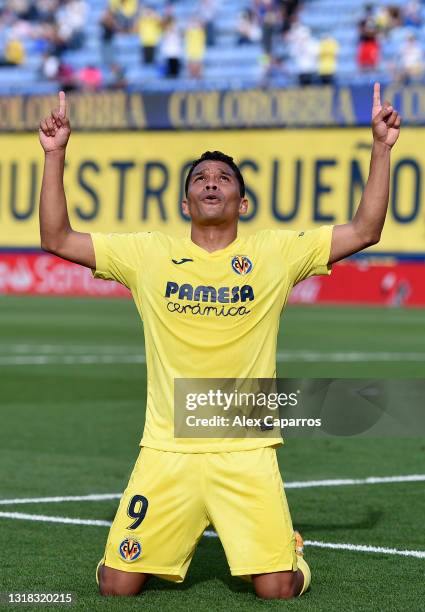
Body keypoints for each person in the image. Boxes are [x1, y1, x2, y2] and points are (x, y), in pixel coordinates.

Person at [38, 84, 401, 599]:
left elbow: (366, 229)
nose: (212, 184)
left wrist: (381, 148)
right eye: (201, 179)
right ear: (185, 200)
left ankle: (287, 547)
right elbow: (56, 238)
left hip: (245, 447)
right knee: (117, 586)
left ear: (243, 200)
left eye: (224, 178)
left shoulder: (276, 252)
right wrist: (55, 156)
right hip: (168, 448)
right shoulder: (147, 254)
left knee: (277, 588)